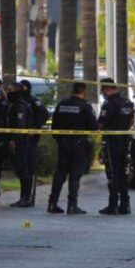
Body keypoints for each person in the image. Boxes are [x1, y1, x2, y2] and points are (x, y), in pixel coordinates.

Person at [47, 82, 98, 215]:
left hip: (63, 144)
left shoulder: (62, 104)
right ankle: (72, 206)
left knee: (60, 174)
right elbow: (94, 126)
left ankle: (52, 204)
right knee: (75, 175)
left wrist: (60, 141)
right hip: (78, 145)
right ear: (84, 92)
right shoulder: (85, 106)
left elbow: (54, 128)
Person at [98, 78, 135, 215]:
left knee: (112, 174)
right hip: (124, 142)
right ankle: (125, 205)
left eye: (102, 90)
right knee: (122, 174)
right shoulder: (127, 103)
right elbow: (131, 122)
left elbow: (101, 124)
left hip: (111, 142)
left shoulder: (109, 104)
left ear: (106, 89)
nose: (102, 93)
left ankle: (112, 205)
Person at [20, 79, 50, 205]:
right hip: (20, 137)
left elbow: (45, 114)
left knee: (30, 165)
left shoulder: (33, 101)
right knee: (22, 166)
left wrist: (35, 127)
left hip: (31, 137)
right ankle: (23, 196)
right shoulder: (18, 101)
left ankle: (30, 197)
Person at [6, 82, 34, 208]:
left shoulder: (20, 106)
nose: (8, 92)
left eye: (10, 90)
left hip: (20, 142)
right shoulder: (14, 105)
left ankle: (26, 197)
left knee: (23, 170)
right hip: (15, 140)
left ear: (16, 92)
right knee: (19, 169)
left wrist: (14, 141)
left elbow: (20, 126)